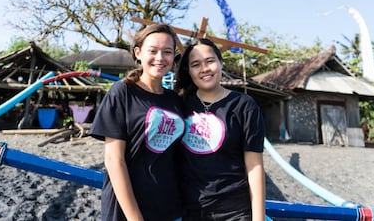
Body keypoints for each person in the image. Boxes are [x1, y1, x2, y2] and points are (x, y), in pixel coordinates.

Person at [89, 24, 185, 221]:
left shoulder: (175, 100)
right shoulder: (122, 92)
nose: (160, 58)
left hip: (169, 207)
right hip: (128, 209)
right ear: (138, 53)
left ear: (174, 56)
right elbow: (114, 160)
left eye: (167, 52)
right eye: (153, 51)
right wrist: (135, 218)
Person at [174, 38, 266, 221]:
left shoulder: (244, 106)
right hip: (189, 209)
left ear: (220, 63)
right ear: (189, 71)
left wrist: (259, 218)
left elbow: (254, 165)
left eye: (210, 61)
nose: (204, 69)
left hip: (234, 210)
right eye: (196, 64)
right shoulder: (179, 104)